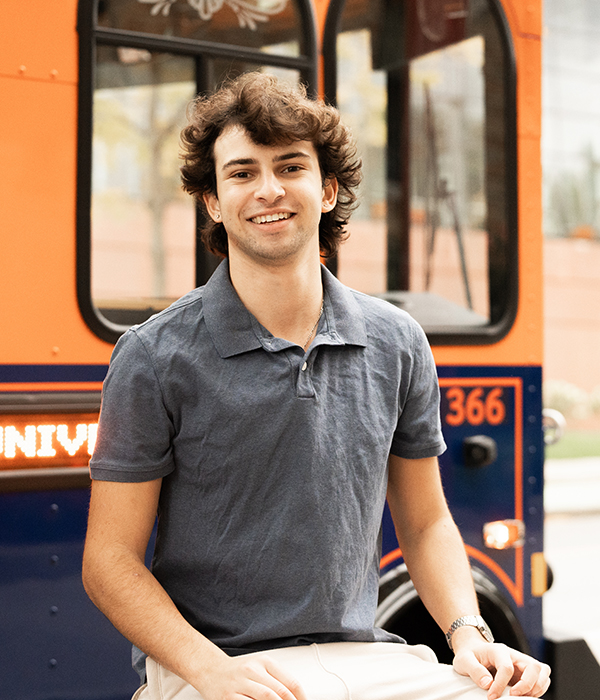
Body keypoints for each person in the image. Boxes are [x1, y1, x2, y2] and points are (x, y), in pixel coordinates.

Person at [82, 72, 551, 700]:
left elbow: (427, 522)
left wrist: (470, 634)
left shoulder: (397, 340)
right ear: (214, 203)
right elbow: (108, 562)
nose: (268, 189)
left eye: (291, 167)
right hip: (216, 667)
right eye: (242, 172)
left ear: (327, 189)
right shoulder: (153, 357)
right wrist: (208, 669)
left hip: (360, 659)